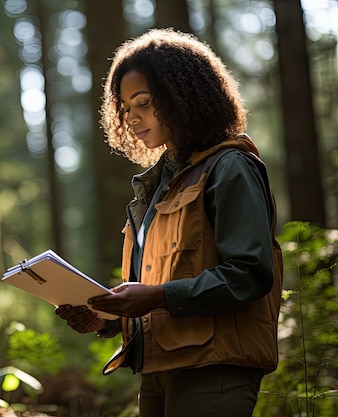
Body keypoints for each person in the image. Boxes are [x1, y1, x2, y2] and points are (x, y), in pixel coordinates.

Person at [55, 28, 282, 417]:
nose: (132, 117)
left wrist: (156, 297)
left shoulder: (230, 167)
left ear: (183, 98)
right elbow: (166, 277)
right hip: (158, 367)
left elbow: (249, 272)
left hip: (215, 365)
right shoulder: (158, 184)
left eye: (143, 102)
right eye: (125, 107)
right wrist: (107, 315)